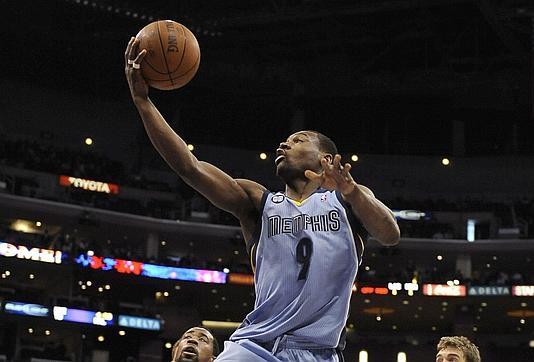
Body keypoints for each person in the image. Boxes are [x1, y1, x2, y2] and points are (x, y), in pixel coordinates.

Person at [124, 38, 400, 362]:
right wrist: (143, 102)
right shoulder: (258, 201)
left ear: (326, 157)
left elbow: (390, 234)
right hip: (255, 346)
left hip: (318, 353)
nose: (283, 146)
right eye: (285, 141)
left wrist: (351, 191)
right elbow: (189, 167)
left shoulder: (348, 199)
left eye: (297, 141)